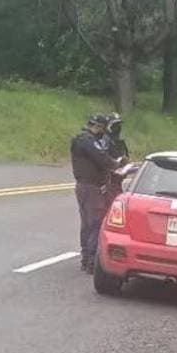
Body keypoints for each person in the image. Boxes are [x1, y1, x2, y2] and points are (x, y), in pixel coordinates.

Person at [72, 114, 126, 274]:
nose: (105, 132)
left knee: (89, 223)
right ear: (97, 126)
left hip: (89, 187)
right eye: (103, 128)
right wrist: (117, 164)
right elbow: (101, 158)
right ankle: (90, 259)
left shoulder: (87, 140)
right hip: (90, 188)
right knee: (94, 223)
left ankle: (87, 257)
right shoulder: (86, 140)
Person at [102, 113, 130, 205]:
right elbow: (102, 159)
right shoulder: (104, 140)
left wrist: (125, 163)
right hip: (108, 181)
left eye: (119, 125)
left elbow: (126, 157)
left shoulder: (119, 142)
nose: (118, 128)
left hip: (118, 180)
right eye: (115, 125)